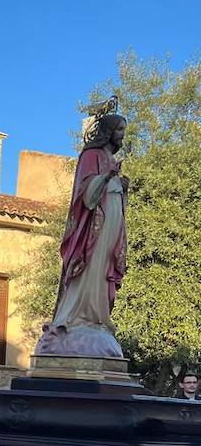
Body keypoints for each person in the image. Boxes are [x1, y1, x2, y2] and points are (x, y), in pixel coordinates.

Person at [51, 110, 128, 336]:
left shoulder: (110, 158)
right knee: (91, 264)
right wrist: (107, 176)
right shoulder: (91, 155)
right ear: (109, 131)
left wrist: (122, 187)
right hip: (95, 224)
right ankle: (78, 316)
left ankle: (98, 316)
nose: (123, 134)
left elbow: (111, 190)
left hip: (112, 219)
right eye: (120, 129)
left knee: (104, 266)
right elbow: (86, 195)